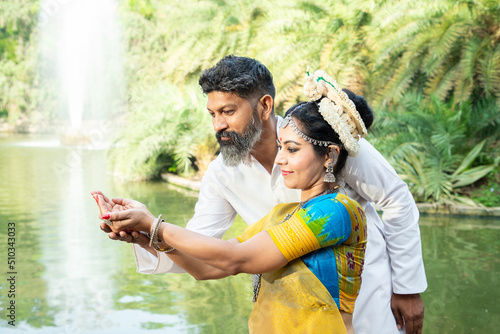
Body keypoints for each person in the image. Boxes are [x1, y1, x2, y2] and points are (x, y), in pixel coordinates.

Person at [98, 56, 427, 334]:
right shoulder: (222, 173)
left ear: (265, 105)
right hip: (290, 311)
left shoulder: (323, 138)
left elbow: (396, 199)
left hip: (362, 293)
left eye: (227, 111)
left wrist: (408, 289)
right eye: (212, 114)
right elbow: (208, 253)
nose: (217, 125)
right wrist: (144, 235)